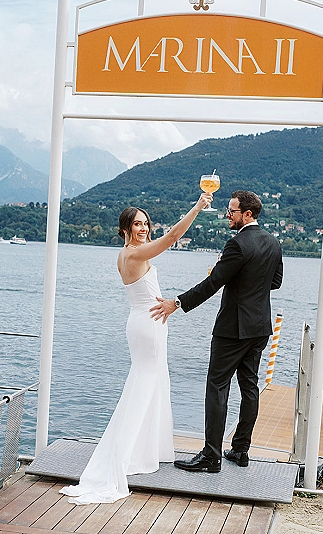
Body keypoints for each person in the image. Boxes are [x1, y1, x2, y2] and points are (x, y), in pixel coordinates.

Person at [60, 191, 213, 505]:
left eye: (145, 223)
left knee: (150, 382)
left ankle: (146, 451)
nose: (143, 228)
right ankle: (125, 455)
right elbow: (172, 236)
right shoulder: (134, 254)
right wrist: (197, 206)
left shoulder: (128, 254)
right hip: (148, 325)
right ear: (126, 229)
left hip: (143, 321)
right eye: (137, 224)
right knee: (146, 383)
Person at [150, 190, 283, 473]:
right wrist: (243, 280)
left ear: (248, 214)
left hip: (233, 328)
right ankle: (240, 450)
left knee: (217, 386)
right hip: (259, 327)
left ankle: (212, 456)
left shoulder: (236, 245)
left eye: (232, 211)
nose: (227, 215)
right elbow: (275, 282)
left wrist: (177, 302)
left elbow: (213, 284)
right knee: (249, 387)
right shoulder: (273, 243)